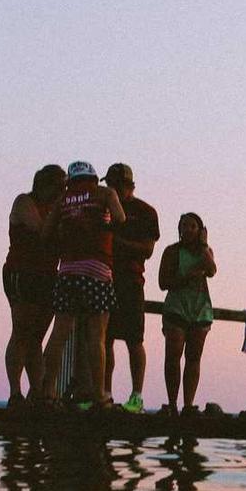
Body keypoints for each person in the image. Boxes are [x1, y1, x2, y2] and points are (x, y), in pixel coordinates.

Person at [37, 161, 125, 410]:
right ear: (94, 177)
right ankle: (99, 397)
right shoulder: (106, 194)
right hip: (97, 269)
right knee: (97, 336)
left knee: (59, 333)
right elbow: (120, 219)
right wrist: (101, 227)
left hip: (67, 270)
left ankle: (47, 392)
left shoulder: (63, 199)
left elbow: (45, 233)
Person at [2, 164, 67, 408]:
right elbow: (42, 231)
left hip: (48, 275)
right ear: (45, 184)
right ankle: (15, 392)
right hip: (22, 272)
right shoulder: (24, 202)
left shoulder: (57, 209)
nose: (63, 191)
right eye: (60, 186)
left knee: (37, 336)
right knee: (21, 331)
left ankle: (37, 392)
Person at [100, 163, 160, 413]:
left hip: (132, 282)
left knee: (135, 340)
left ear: (128, 186)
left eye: (115, 184)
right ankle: (105, 393)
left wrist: (117, 242)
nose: (111, 189)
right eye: (108, 184)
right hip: (104, 279)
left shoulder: (146, 212)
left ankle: (137, 396)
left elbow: (147, 250)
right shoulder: (102, 207)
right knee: (105, 339)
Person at [157, 212, 217, 415]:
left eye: (192, 226)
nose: (187, 230)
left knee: (194, 357)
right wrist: (185, 277)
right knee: (173, 355)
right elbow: (163, 282)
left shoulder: (205, 251)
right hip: (177, 308)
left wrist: (203, 245)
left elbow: (212, 270)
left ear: (200, 230)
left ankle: (188, 405)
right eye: (184, 225)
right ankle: (172, 403)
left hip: (200, 310)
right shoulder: (172, 251)